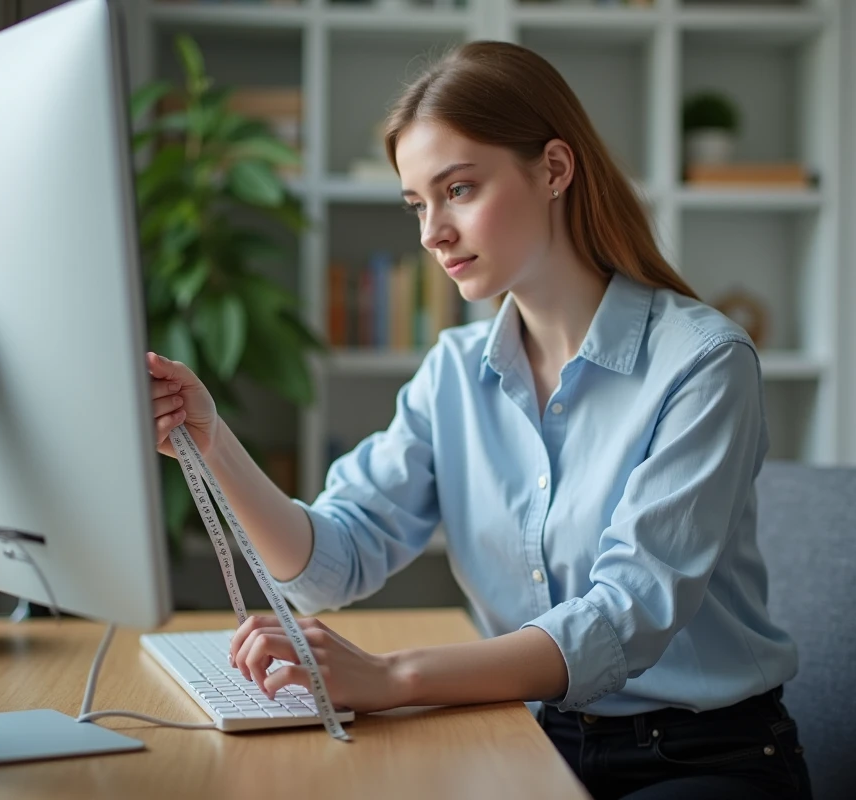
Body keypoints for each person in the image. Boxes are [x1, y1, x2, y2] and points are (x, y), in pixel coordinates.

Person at [146, 40, 812, 800]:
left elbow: (625, 618)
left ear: (555, 170)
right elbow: (331, 563)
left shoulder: (703, 362)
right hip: (530, 735)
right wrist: (212, 440)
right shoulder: (455, 372)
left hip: (702, 756)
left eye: (458, 189)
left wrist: (390, 676)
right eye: (417, 205)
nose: (432, 233)